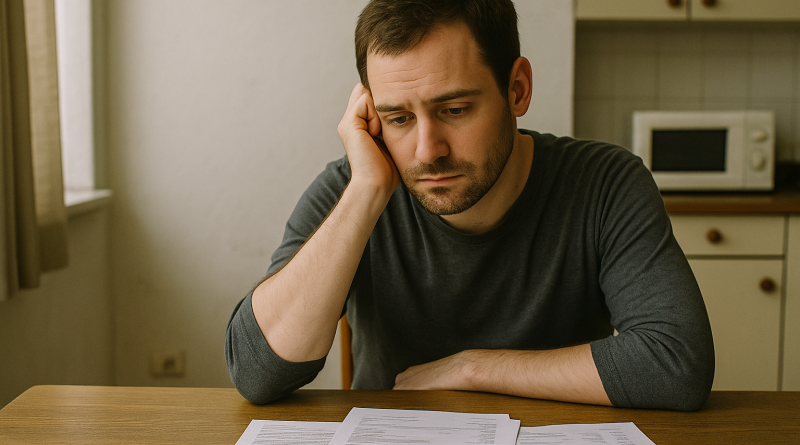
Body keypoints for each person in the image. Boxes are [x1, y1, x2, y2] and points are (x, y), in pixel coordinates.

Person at [225, 0, 715, 411]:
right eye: (397, 118)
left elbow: (676, 364)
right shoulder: (352, 189)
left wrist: (472, 367)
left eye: (454, 110)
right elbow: (255, 373)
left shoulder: (606, 183)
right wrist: (365, 193)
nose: (426, 151)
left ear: (517, 89)